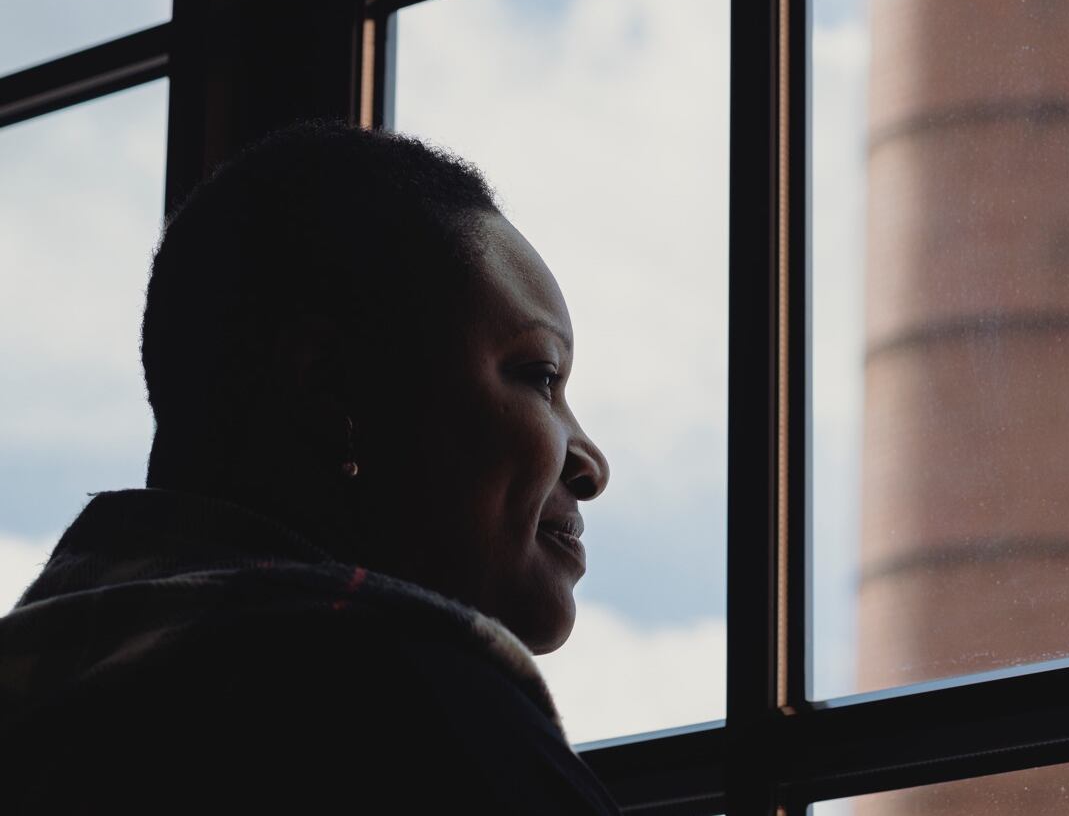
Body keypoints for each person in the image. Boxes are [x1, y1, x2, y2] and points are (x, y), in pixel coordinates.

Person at [0, 121, 619, 813]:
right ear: (329, 383)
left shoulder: (48, 696)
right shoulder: (402, 713)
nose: (592, 465)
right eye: (540, 375)